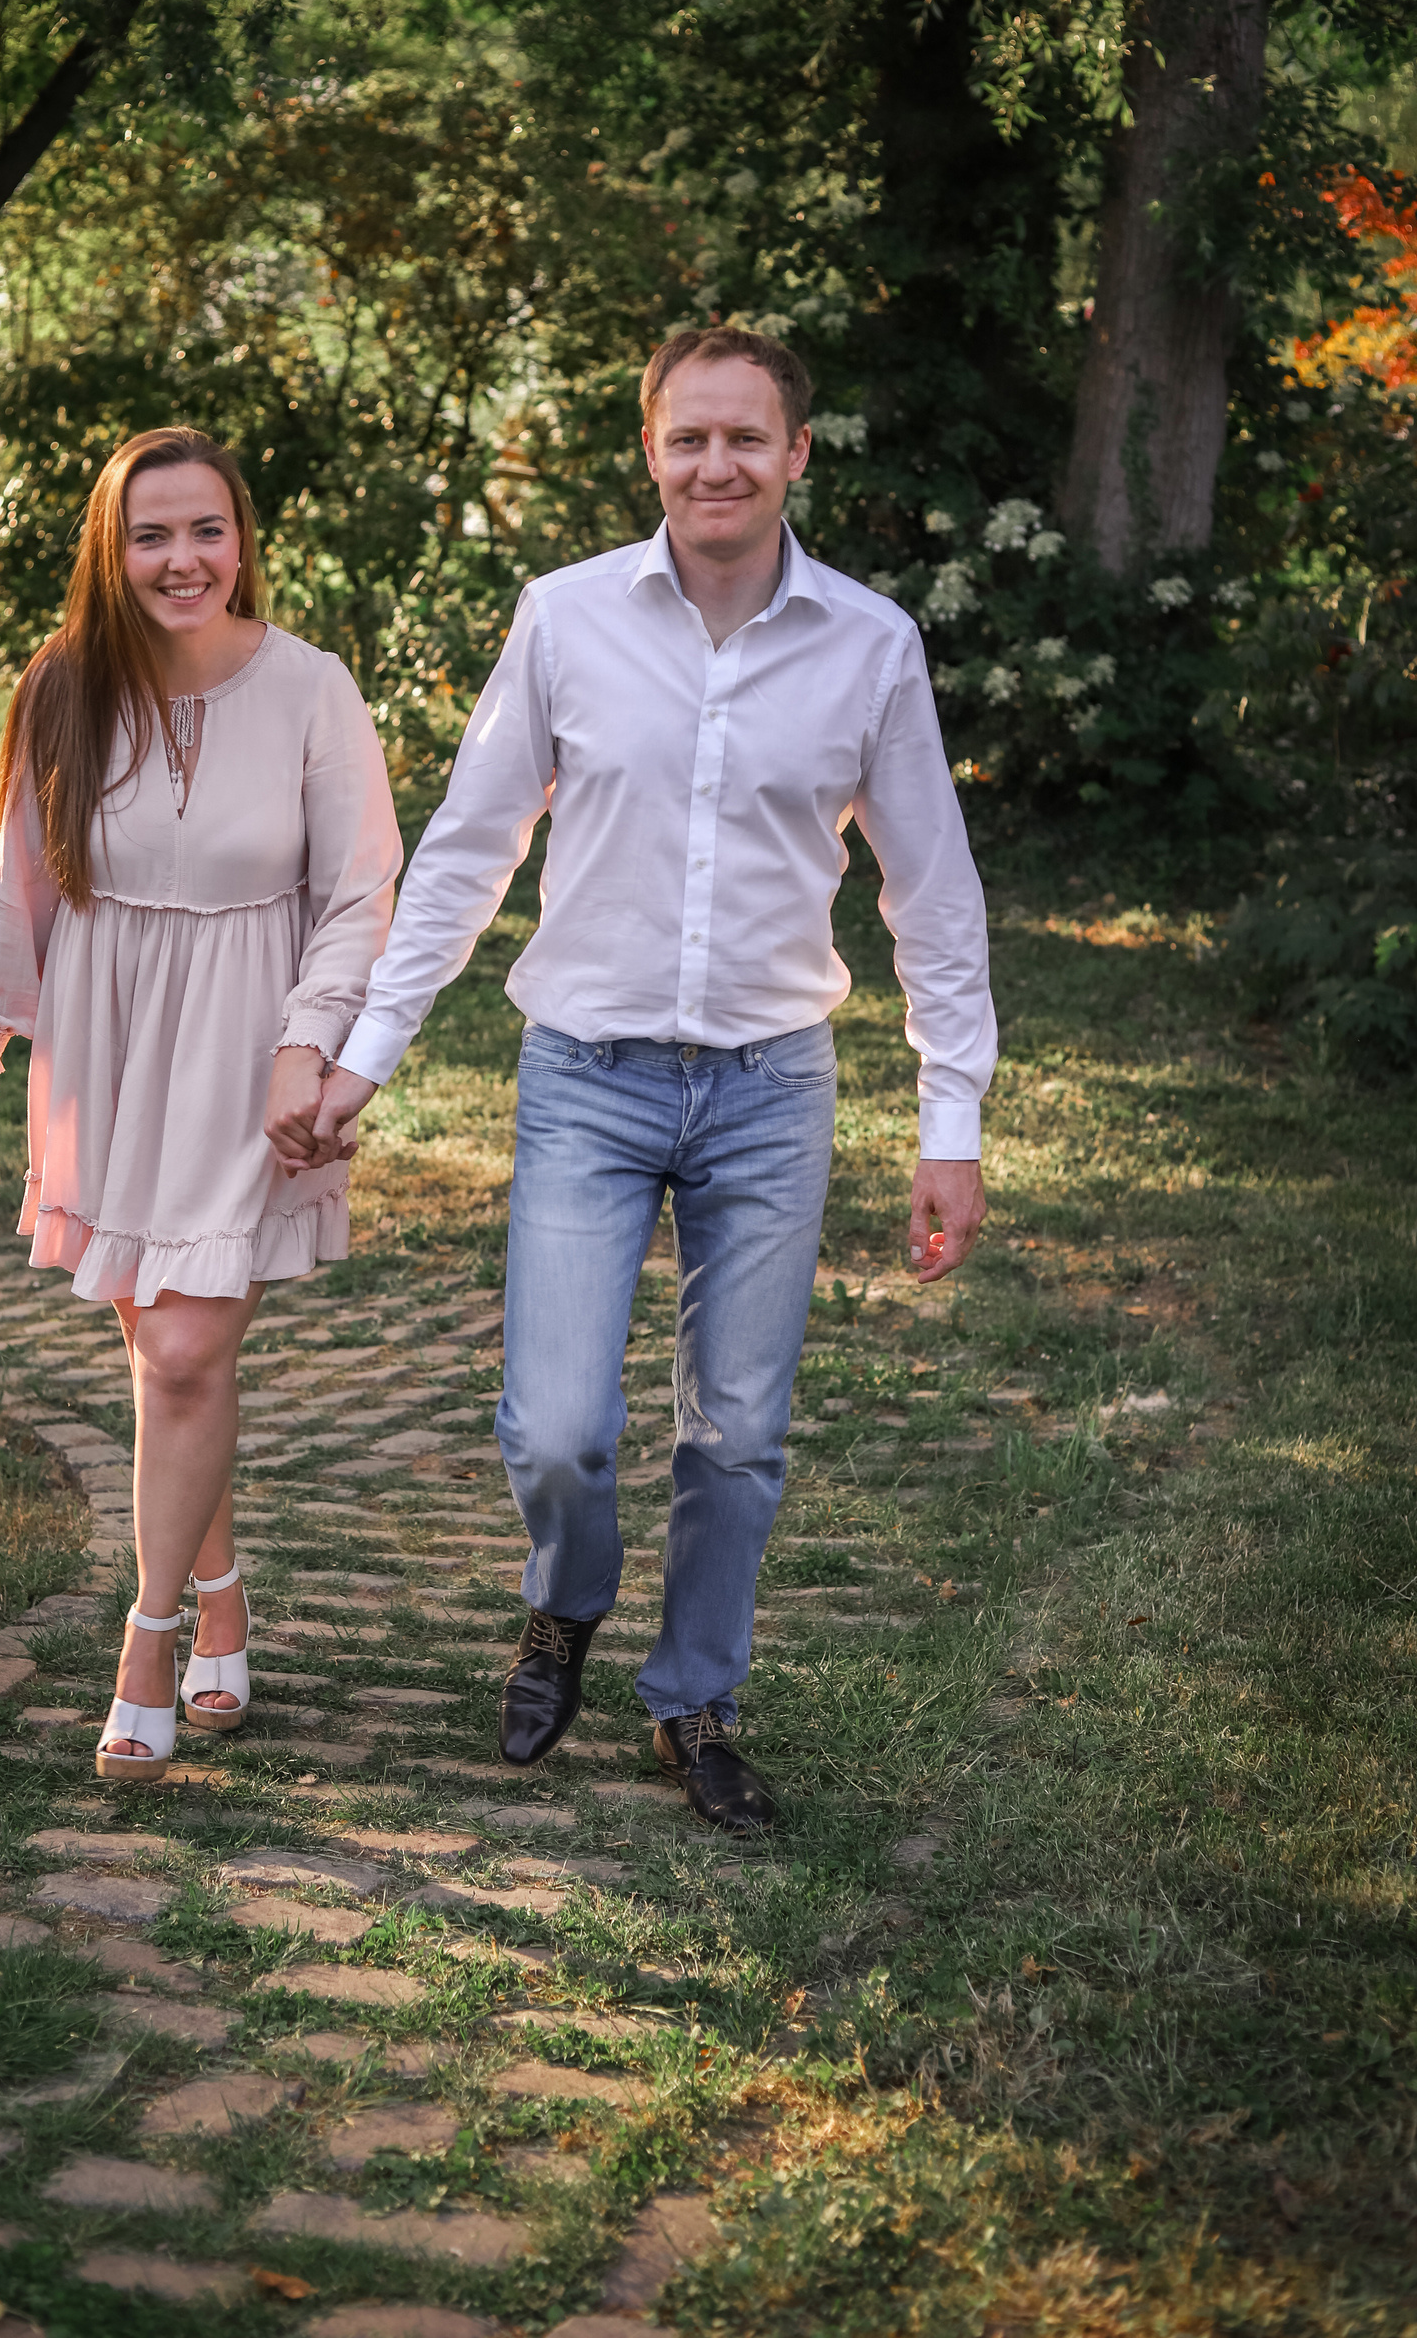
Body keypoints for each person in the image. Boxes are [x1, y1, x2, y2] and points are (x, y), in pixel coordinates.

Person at [285, 329, 996, 1833]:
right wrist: (366, 1054)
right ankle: (565, 1604)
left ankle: (695, 1697)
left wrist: (954, 1120)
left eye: (748, 439)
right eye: (689, 439)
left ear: (799, 453)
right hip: (588, 1077)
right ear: (652, 451)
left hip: (770, 1086)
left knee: (737, 1429)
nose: (716, 466)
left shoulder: (870, 645)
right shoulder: (563, 621)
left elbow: (933, 896)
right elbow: (471, 852)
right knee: (559, 1428)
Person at [0, 427, 402, 1780]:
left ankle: (145, 1639)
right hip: (109, 1044)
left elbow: (364, 889)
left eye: (205, 530)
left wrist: (310, 1046)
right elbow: (20, 889)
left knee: (191, 1352)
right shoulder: (60, 687)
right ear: (113, 550)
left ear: (242, 540)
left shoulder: (315, 690)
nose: (181, 558)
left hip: (254, 1049)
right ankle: (219, 1595)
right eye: (151, 536)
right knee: (160, 1347)